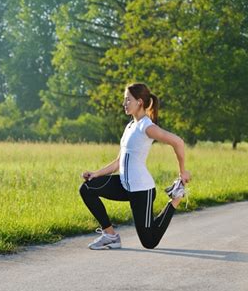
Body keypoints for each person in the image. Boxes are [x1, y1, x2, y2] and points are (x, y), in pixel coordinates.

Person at [79, 82, 191, 250]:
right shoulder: (130, 125)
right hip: (124, 184)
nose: (124, 103)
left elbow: (178, 142)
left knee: (149, 242)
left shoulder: (147, 127)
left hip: (141, 189)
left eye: (127, 100)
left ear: (139, 101)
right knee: (87, 189)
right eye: (124, 100)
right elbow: (119, 161)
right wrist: (96, 174)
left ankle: (175, 200)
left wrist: (182, 172)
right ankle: (110, 235)